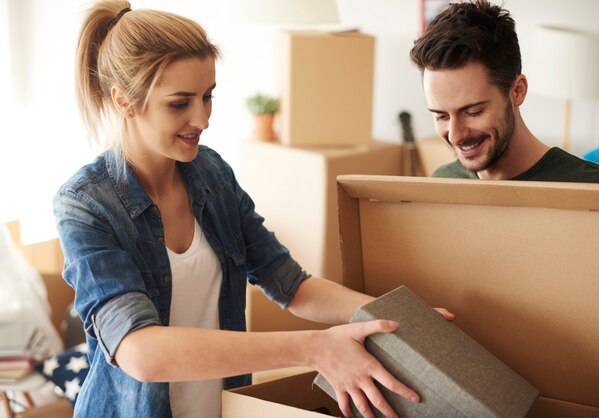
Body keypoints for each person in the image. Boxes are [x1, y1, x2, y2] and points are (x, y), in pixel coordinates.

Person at [54, 1, 454, 417]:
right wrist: (313, 348)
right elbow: (140, 352)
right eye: (180, 103)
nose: (202, 118)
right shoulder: (85, 205)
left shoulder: (211, 173)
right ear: (125, 101)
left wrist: (391, 317)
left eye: (207, 97)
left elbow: (290, 284)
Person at [410, 0, 599, 184]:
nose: (455, 135)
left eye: (473, 112)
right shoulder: (443, 183)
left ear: (517, 91)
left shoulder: (592, 187)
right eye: (441, 116)